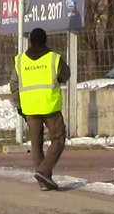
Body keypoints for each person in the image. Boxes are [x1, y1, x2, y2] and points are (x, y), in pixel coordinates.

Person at [10, 27, 71, 191]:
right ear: (45, 40)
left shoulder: (20, 60)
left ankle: (44, 182)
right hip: (50, 106)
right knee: (58, 139)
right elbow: (66, 75)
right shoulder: (53, 58)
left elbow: (14, 85)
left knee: (36, 144)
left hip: (29, 108)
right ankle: (44, 171)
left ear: (30, 41)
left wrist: (19, 106)